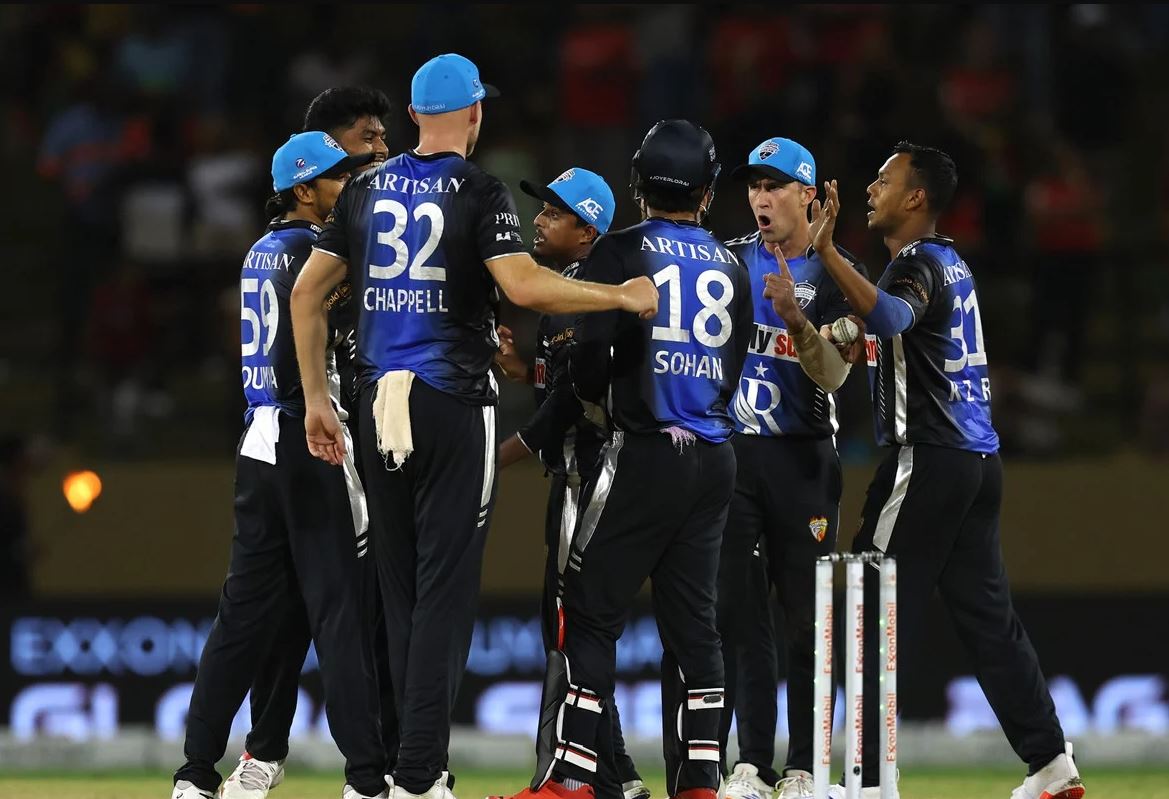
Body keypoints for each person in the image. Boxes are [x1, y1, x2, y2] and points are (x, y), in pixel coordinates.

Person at [289, 53, 657, 799]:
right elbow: (523, 285)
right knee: (445, 595)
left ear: (413, 115)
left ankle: (401, 766)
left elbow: (305, 295)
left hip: (374, 403)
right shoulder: (479, 189)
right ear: (475, 113)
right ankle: (420, 774)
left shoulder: (361, 189)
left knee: (398, 591)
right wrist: (620, 296)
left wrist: (317, 401)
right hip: (451, 403)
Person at [799, 142, 1085, 799]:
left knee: (868, 605)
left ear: (916, 197)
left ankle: (868, 781)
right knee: (988, 622)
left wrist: (827, 253)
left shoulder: (917, 263)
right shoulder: (951, 262)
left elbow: (893, 315)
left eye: (884, 179)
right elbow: (894, 332)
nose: (870, 188)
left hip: (927, 457)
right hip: (977, 461)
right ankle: (1050, 762)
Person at [499, 119, 753, 799]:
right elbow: (733, 363)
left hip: (641, 451)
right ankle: (699, 782)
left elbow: (589, 359)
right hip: (713, 454)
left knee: (588, 613)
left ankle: (571, 779)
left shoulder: (619, 249)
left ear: (638, 184)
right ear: (706, 192)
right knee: (695, 628)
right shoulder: (731, 264)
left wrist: (593, 396)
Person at [172, 132, 388, 799]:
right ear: (303, 189)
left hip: (258, 441)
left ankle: (194, 772)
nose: (348, 186)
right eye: (337, 178)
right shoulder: (318, 251)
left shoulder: (261, 249)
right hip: (312, 435)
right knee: (341, 613)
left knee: (240, 618)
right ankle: (366, 777)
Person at [716, 138, 868, 799]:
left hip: (802, 459)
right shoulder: (726, 260)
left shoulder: (837, 272)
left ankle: (804, 766)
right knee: (741, 616)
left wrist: (797, 322)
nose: (760, 197)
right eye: (754, 186)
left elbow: (833, 375)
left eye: (774, 185)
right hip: (734, 456)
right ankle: (750, 764)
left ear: (807, 195)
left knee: (806, 620)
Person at [493, 168, 649, 799]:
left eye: (554, 213)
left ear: (587, 231)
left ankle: (559, 777)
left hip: (589, 476)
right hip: (586, 473)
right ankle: (618, 777)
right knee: (575, 631)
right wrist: (520, 368)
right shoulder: (576, 292)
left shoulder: (586, 293)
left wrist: (493, 459)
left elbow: (568, 405)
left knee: (567, 631)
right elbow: (564, 384)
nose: (538, 220)